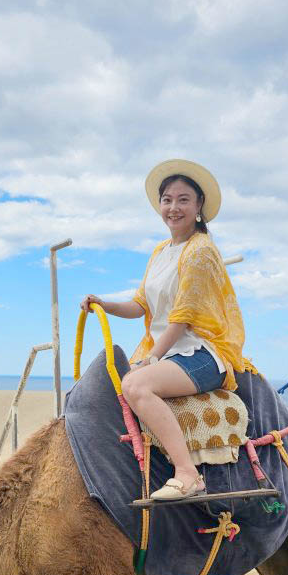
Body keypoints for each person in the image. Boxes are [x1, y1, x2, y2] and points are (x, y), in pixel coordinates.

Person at [80, 158, 252, 501]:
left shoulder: (201, 251)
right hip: (170, 352)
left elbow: (183, 319)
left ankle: (188, 474)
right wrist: (103, 303)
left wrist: (153, 357)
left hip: (201, 354)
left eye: (183, 199)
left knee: (136, 385)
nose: (173, 207)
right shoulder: (161, 252)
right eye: (167, 199)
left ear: (199, 206)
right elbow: (141, 305)